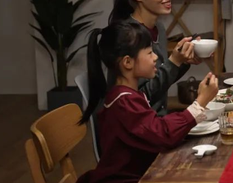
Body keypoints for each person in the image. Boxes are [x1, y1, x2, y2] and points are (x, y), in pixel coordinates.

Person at [77, 21, 218, 183]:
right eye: (150, 53)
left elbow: (152, 127)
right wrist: (199, 103)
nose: (156, 57)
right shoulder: (124, 103)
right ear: (127, 62)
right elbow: (162, 134)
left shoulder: (127, 95)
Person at [110, 0, 206, 115]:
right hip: (141, 126)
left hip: (157, 120)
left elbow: (158, 79)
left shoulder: (158, 28)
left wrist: (182, 60)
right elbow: (140, 99)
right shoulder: (129, 36)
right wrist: (174, 62)